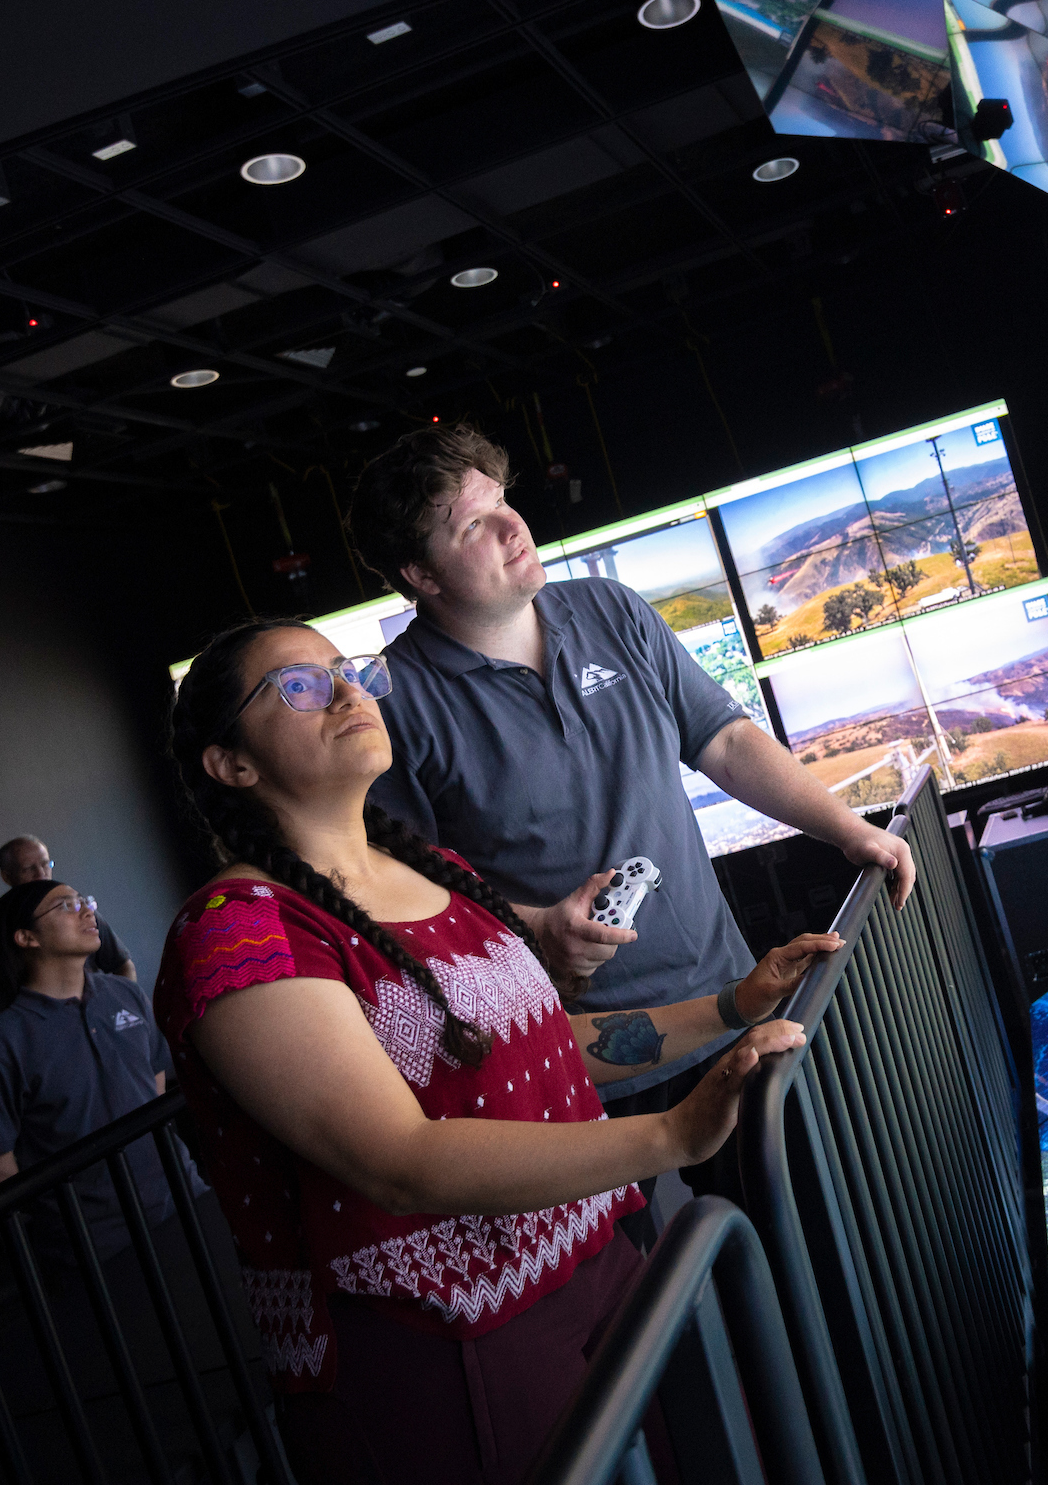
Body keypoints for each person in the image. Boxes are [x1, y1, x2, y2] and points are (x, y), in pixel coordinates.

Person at [157, 618, 839, 1480]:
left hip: (597, 1264)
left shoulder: (436, 869)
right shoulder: (240, 936)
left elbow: (548, 1051)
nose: (348, 691)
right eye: (299, 686)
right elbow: (398, 1160)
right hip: (442, 1337)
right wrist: (671, 1135)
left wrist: (732, 1007)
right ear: (232, 763)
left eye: (350, 670)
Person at [346, 424, 911, 1204]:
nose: (514, 527)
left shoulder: (610, 611)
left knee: (805, 1254)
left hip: (729, 1007)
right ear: (420, 573)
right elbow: (407, 897)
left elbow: (726, 741)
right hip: (579, 1067)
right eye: (472, 524)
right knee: (666, 1304)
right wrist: (536, 925)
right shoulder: (395, 704)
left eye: (504, 503)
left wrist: (849, 830)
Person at [0, 879, 198, 1259]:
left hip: (184, 1195)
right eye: (66, 906)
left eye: (85, 901)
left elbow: (153, 1085)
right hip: (97, 1243)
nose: (88, 912)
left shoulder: (127, 994)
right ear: (26, 938)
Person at [0, 835, 135, 1016]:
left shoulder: (83, 913)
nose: (41, 874)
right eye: (28, 869)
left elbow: (123, 965)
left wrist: (123, 1012)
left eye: (46, 864)